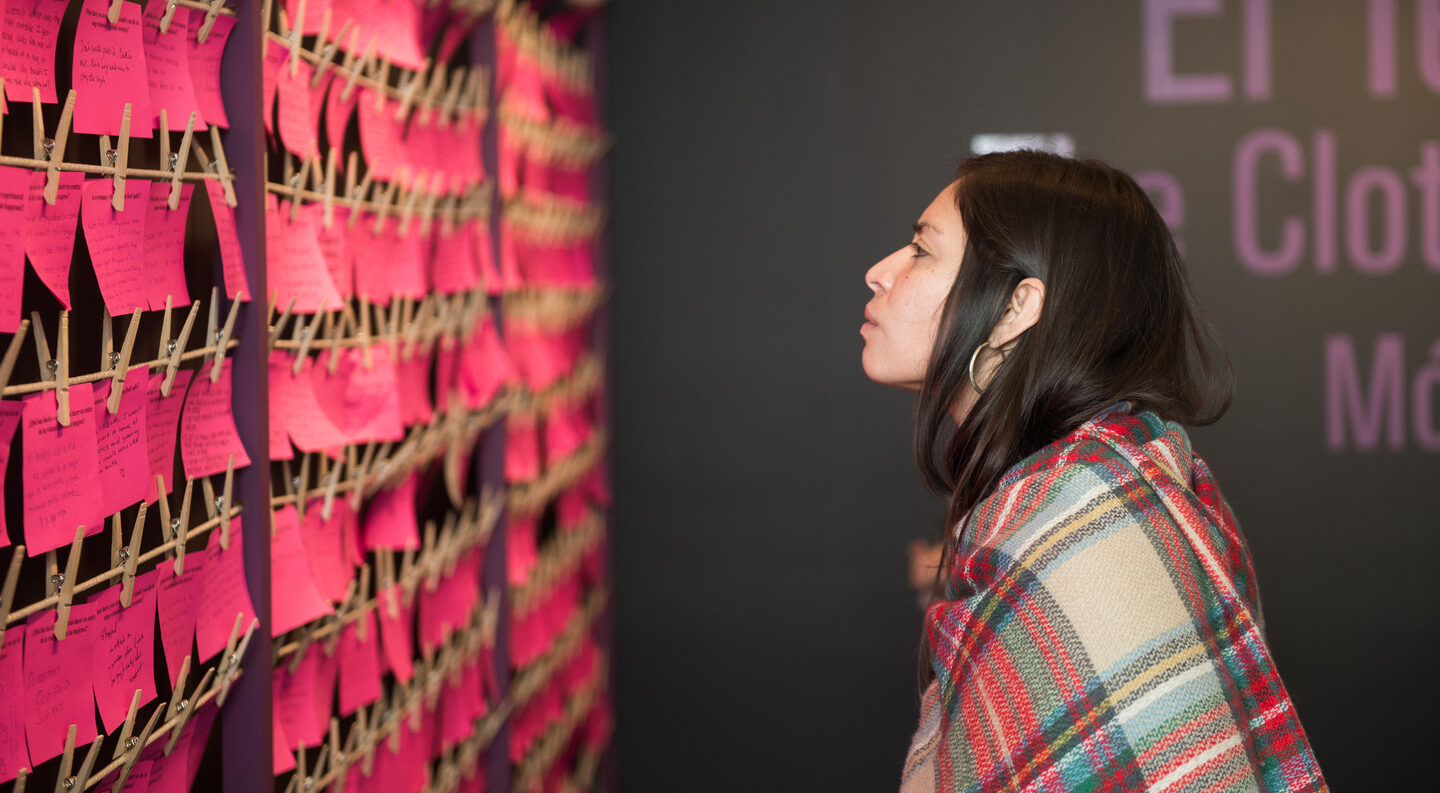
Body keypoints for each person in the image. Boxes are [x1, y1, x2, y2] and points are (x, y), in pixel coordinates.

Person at [861, 151, 1328, 793]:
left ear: (1016, 306)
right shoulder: (1070, 494)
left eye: (920, 250)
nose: (878, 273)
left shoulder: (1083, 521)